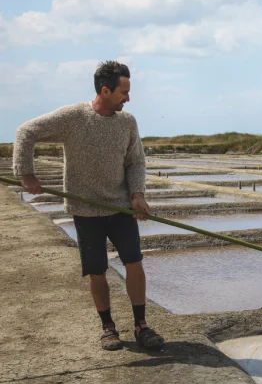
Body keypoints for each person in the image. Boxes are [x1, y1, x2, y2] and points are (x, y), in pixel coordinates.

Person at [12, 60, 164, 351]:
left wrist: (137, 194)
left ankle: (141, 325)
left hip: (121, 207)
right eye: (123, 92)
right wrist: (26, 174)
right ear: (105, 91)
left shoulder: (127, 122)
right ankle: (108, 328)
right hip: (86, 210)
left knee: (134, 262)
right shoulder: (73, 117)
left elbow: (135, 161)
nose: (128, 99)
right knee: (97, 270)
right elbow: (25, 131)